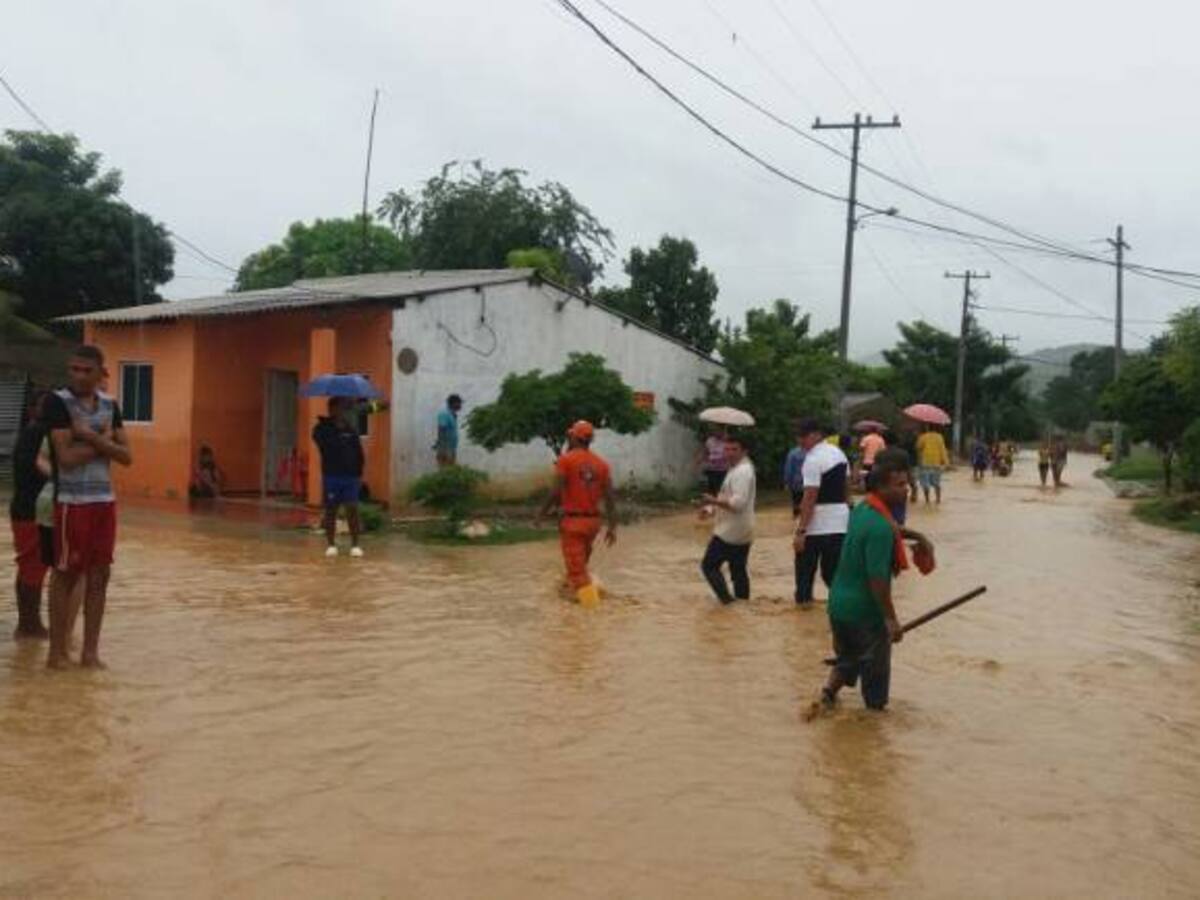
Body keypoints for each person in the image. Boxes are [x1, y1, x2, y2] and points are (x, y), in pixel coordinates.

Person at [44, 346, 133, 669]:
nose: (79, 376)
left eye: (86, 370)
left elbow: (127, 457)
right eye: (74, 370)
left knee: (100, 575)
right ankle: (56, 653)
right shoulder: (56, 402)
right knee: (65, 573)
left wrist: (88, 437)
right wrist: (103, 442)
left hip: (103, 501)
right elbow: (65, 460)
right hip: (71, 502)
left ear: (101, 373)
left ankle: (90, 653)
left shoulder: (111, 405)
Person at [806, 457, 913, 717]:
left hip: (839, 606)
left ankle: (826, 696)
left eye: (906, 483)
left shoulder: (863, 510)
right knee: (875, 699)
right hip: (865, 614)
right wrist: (890, 620)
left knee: (849, 658)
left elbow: (893, 528)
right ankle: (868, 736)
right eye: (899, 484)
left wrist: (918, 537)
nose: (906, 489)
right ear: (882, 488)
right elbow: (877, 580)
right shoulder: (880, 528)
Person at [537, 420, 617, 607]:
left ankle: (591, 616)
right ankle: (572, 599)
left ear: (574, 437)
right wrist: (612, 526)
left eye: (570, 436)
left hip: (573, 524)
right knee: (578, 568)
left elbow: (556, 491)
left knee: (577, 573)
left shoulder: (566, 460)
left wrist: (541, 514)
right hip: (593, 525)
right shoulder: (602, 465)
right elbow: (611, 499)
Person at [793, 419, 850, 607]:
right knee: (833, 574)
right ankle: (844, 606)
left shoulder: (812, 459)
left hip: (817, 525)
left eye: (804, 436)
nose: (800, 441)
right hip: (841, 523)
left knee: (804, 576)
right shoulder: (839, 454)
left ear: (817, 435)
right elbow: (847, 489)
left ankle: (804, 613)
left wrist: (801, 531)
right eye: (798, 436)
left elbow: (809, 497)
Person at [9, 391, 50, 639]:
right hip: (31, 511)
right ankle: (29, 625)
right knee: (33, 567)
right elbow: (33, 472)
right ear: (33, 410)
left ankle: (28, 624)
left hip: (26, 508)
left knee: (29, 567)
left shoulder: (33, 432)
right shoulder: (38, 433)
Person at [700, 433, 756, 604]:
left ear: (744, 451)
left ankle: (727, 603)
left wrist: (712, 501)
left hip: (731, 530)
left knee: (709, 566)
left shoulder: (742, 472)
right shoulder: (739, 468)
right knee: (738, 570)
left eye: (734, 449)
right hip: (743, 529)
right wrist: (711, 509)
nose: (729, 453)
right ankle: (743, 606)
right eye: (727, 449)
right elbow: (728, 496)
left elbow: (737, 503)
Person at [313, 397, 365, 558]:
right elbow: (320, 442)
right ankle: (331, 544)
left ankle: (355, 545)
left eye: (344, 408)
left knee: (352, 509)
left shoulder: (351, 429)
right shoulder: (322, 428)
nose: (342, 411)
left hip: (351, 477)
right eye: (339, 408)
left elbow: (358, 452)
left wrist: (359, 472)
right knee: (331, 510)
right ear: (332, 409)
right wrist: (331, 427)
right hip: (332, 475)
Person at [915, 425, 950, 505]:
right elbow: (943, 450)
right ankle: (938, 500)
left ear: (928, 428)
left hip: (925, 463)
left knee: (925, 483)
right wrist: (946, 462)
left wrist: (919, 438)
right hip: (936, 464)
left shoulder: (923, 437)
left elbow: (917, 447)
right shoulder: (940, 437)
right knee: (937, 483)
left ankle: (927, 501)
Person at [696, 428, 729, 495]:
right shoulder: (710, 440)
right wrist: (699, 461)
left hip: (724, 470)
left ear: (724, 430)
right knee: (711, 489)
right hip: (711, 469)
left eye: (720, 430)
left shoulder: (728, 440)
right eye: (716, 429)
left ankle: (720, 502)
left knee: (722, 489)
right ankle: (713, 503)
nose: (717, 432)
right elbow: (705, 452)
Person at [782, 430, 807, 515]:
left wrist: (787, 482)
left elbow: (788, 469)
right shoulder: (812, 452)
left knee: (797, 501)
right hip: (808, 482)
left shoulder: (793, 453)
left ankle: (797, 518)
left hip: (797, 482)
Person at [435, 394, 463, 467]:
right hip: (446, 448)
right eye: (459, 403)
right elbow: (441, 430)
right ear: (454, 403)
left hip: (451, 448)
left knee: (450, 470)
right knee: (445, 470)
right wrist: (444, 450)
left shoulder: (452, 414)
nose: (460, 405)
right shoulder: (444, 414)